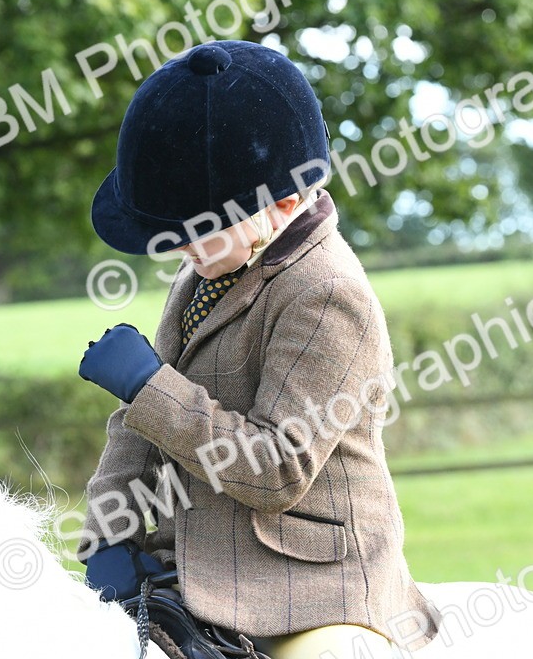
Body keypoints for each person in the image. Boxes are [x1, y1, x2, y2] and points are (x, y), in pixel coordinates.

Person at [77, 40, 438, 659]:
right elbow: (139, 427)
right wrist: (104, 536)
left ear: (285, 205)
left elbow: (277, 469)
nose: (178, 250)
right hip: (189, 562)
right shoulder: (209, 271)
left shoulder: (326, 296)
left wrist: (148, 385)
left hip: (308, 583)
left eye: (196, 231)